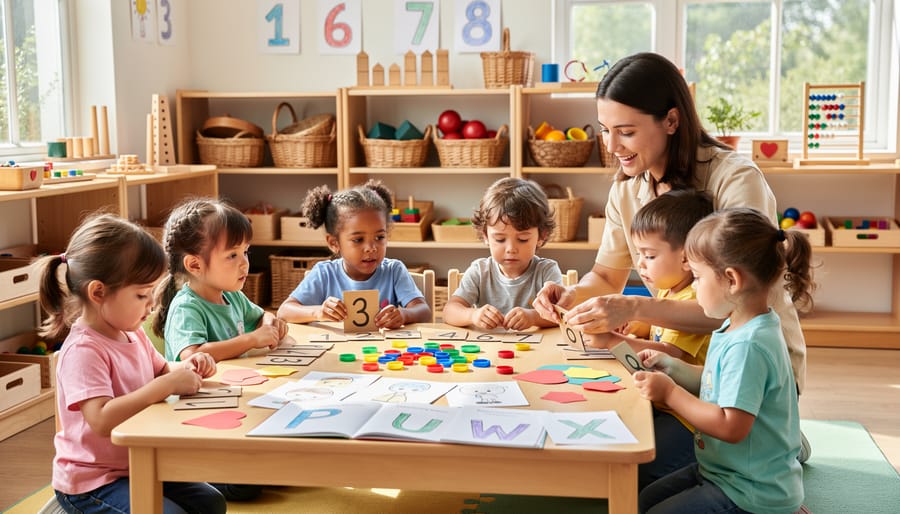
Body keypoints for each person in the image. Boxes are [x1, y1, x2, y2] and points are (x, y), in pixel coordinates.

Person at [531, 52, 810, 466]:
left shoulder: (733, 179)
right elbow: (607, 275)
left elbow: (742, 302)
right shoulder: (626, 190)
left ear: (672, 121)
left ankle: (780, 436)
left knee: (637, 462)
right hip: (685, 360)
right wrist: (570, 297)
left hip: (746, 365)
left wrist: (633, 306)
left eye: (625, 132)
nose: (610, 146)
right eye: (605, 130)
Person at [41, 213, 226, 514]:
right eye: (142, 295)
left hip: (137, 462)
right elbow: (100, 419)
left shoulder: (133, 333)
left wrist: (191, 365)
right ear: (98, 292)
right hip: (92, 482)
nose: (151, 304)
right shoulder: (84, 350)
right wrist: (163, 386)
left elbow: (163, 369)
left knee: (211, 502)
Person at [635, 207, 812, 514]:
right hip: (724, 470)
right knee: (641, 501)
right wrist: (672, 367)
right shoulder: (735, 325)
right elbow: (717, 381)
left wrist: (670, 393)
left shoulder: (750, 345)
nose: (693, 287)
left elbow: (731, 426)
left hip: (750, 490)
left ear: (731, 280)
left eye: (698, 277)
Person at [154, 197, 287, 502]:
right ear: (195, 264)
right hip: (197, 419)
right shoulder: (187, 306)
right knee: (246, 486)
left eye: (245, 252)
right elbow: (192, 356)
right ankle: (199, 473)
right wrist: (252, 340)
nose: (244, 263)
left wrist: (272, 321)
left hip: (233, 406)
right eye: (232, 255)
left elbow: (261, 314)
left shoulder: (232, 296)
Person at [277, 179, 431, 327]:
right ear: (334, 243)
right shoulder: (324, 273)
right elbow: (284, 312)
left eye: (380, 237)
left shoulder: (394, 270)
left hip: (383, 352)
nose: (371, 248)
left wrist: (404, 314)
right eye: (358, 240)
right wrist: (318, 312)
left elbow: (423, 311)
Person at [443, 177, 563, 331]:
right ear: (485, 235)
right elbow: (449, 311)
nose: (511, 249)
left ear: (542, 237)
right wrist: (472, 315)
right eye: (500, 239)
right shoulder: (480, 271)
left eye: (522, 239)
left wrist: (533, 317)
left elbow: (561, 314)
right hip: (488, 352)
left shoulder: (546, 271)